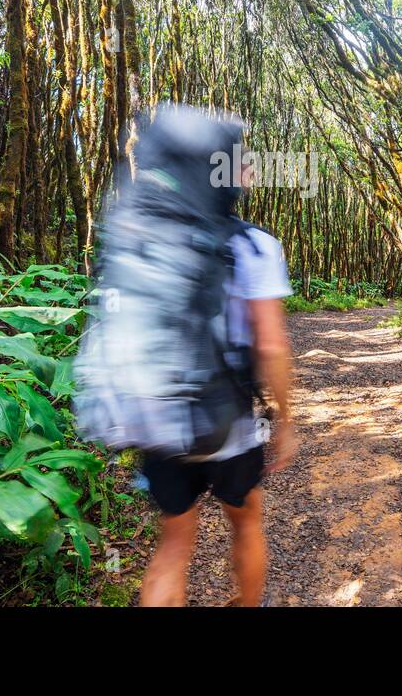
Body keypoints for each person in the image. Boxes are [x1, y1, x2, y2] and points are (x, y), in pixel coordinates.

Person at [138, 157, 299, 607]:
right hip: (228, 417)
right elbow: (270, 347)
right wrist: (286, 419)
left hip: (160, 416)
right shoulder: (255, 245)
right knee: (245, 519)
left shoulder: (154, 242)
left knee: (174, 540)